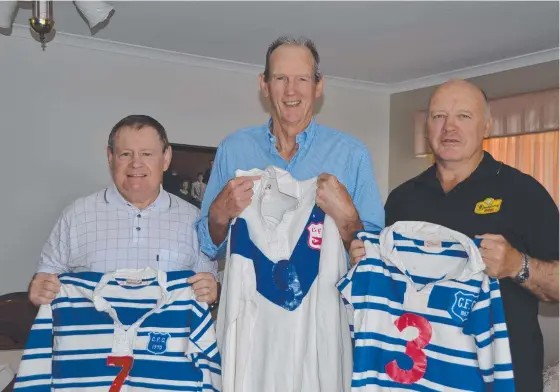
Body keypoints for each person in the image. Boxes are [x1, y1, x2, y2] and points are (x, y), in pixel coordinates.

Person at [350, 79, 559, 392]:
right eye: (438, 117)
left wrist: (518, 265)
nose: (449, 127)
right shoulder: (402, 198)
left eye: (464, 116)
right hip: (418, 378)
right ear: (427, 128)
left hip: (503, 379)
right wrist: (366, 261)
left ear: (486, 125)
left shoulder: (524, 193)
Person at [195, 35, 385, 260]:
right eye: (280, 78)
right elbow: (207, 248)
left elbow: (376, 257)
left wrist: (349, 222)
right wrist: (218, 216)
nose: (290, 90)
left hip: (328, 295)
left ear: (318, 86)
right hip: (248, 295)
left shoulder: (353, 156)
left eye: (302, 79)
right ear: (264, 85)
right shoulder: (233, 150)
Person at [28, 115, 219, 307]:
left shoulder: (194, 220)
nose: (136, 163)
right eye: (125, 154)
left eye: (147, 154)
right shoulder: (76, 215)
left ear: (166, 158)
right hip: (92, 337)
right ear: (110, 158)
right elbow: (46, 278)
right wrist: (40, 288)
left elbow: (207, 287)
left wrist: (211, 291)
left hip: (166, 337)